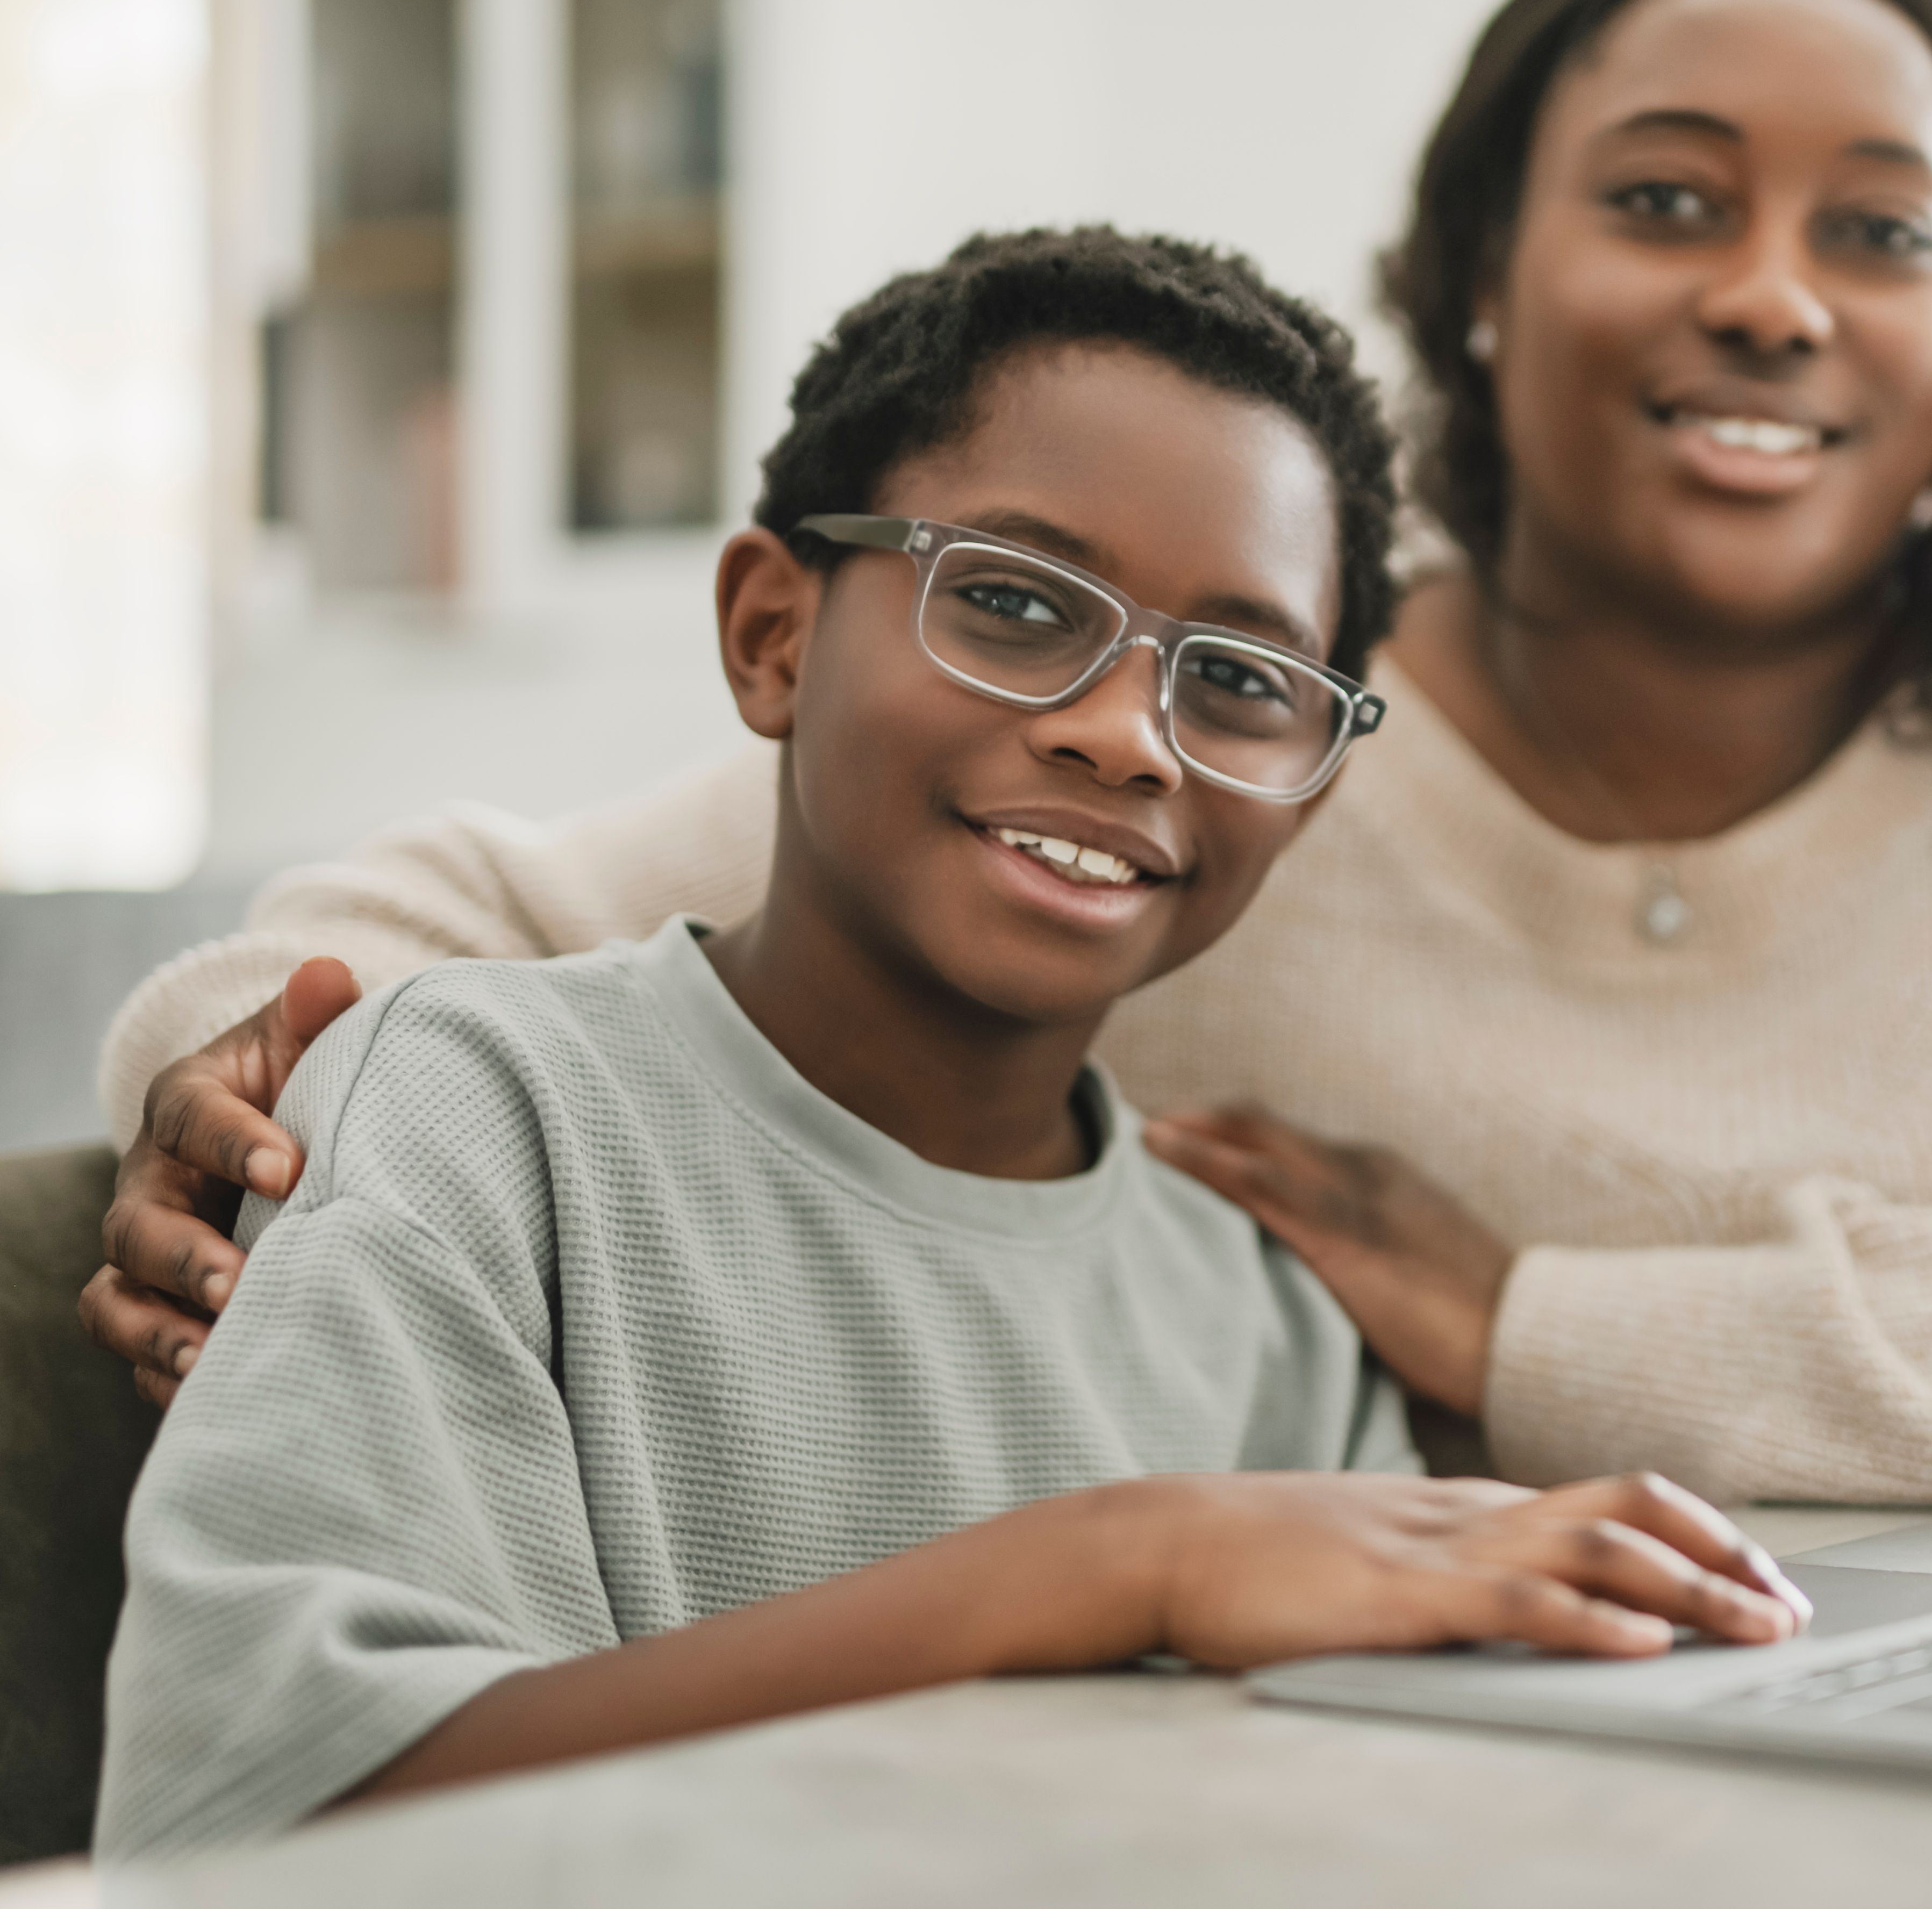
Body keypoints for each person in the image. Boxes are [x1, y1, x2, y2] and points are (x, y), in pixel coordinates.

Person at [82, 0, 1932, 1506]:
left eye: (1884, 232)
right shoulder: (1226, 733)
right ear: (1477, 274)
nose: (1775, 294)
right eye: (1664, 199)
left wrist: (1536, 1324)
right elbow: (445, 920)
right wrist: (226, 1079)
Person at [95, 230, 1804, 1860]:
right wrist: (1118, 1566)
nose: (1133, 736)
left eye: (1240, 683)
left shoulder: (1262, 1319)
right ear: (773, 635)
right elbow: (275, 1822)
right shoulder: (480, 1114)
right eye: (1012, 602)